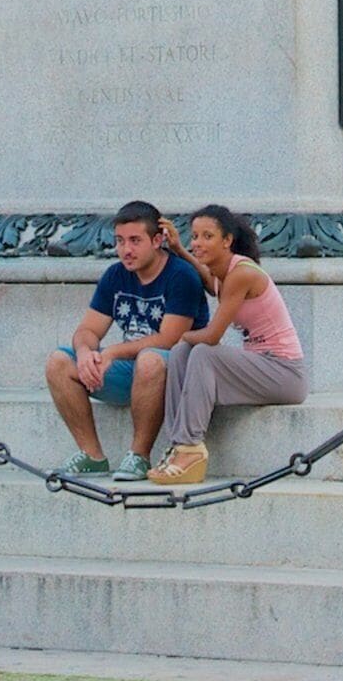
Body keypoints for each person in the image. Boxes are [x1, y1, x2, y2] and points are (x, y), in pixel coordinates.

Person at [42, 200, 207, 481]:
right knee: (59, 361)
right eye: (120, 241)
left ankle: (139, 456)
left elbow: (169, 339)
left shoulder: (182, 275)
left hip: (177, 375)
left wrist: (112, 353)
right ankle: (92, 455)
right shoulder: (115, 275)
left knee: (150, 358)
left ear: (157, 240)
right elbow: (88, 330)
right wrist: (85, 353)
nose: (126, 250)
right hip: (133, 371)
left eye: (134, 241)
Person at [146, 205, 308, 487]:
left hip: (285, 373)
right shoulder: (222, 275)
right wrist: (181, 250)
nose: (198, 243)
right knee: (182, 353)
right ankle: (178, 446)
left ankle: (191, 447)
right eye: (195, 236)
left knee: (202, 352)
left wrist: (182, 335)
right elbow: (211, 283)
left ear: (227, 240)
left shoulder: (242, 274)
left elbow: (211, 337)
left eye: (207, 236)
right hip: (260, 367)